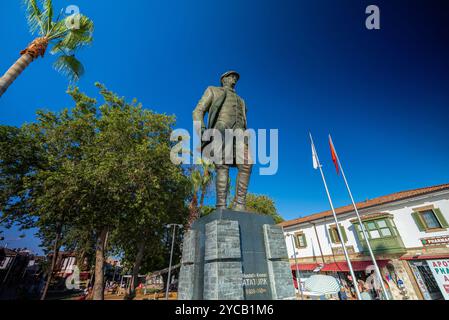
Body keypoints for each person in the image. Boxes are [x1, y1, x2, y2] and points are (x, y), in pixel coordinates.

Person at [193, 71, 252, 211]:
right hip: (221, 129)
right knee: (222, 166)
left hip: (240, 133)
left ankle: (239, 204)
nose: (234, 79)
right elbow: (198, 111)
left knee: (246, 164)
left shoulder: (241, 100)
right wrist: (201, 129)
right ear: (224, 79)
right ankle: (221, 206)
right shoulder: (213, 90)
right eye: (232, 76)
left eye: (236, 77)